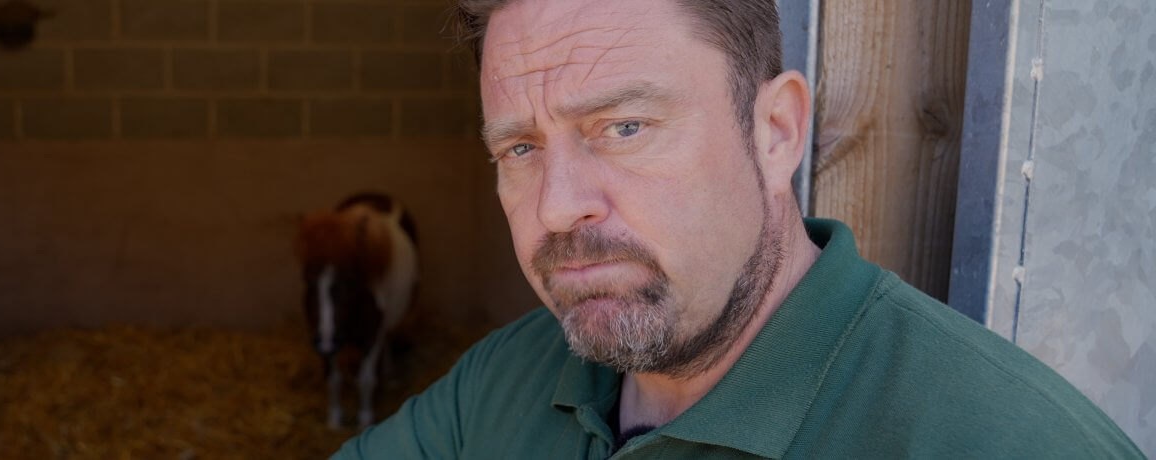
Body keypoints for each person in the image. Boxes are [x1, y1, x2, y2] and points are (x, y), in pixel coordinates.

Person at [333, 0, 1144, 458]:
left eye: (623, 127)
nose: (555, 206)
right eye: (520, 147)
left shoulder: (1005, 444)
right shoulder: (503, 388)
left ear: (777, 131)